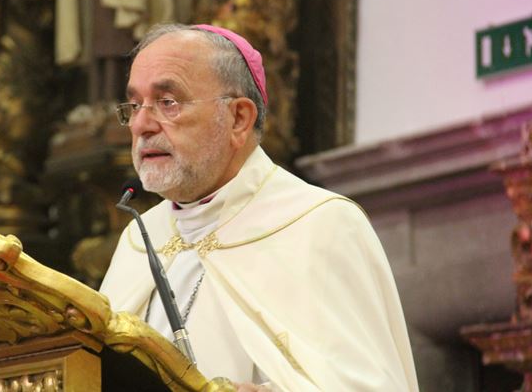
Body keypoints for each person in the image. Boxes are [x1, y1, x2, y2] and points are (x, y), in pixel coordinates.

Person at [99, 23, 419, 391]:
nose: (141, 124)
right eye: (134, 105)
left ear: (238, 118)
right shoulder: (139, 240)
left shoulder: (319, 225)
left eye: (168, 103)